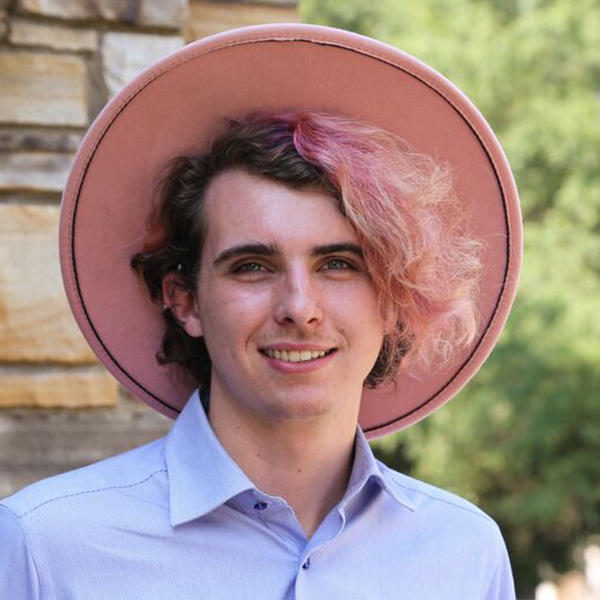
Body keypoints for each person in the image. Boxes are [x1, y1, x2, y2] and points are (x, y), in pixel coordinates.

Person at [0, 25, 522, 599]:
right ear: (185, 301)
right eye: (252, 266)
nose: (299, 308)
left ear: (395, 296)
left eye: (339, 264)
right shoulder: (46, 545)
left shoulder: (464, 553)